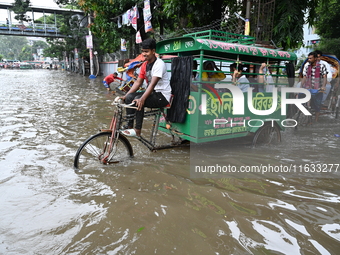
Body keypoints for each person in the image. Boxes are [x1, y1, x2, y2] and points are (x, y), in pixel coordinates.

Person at [120, 38, 171, 137]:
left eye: (146, 51)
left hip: (163, 96)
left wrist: (142, 99)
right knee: (130, 97)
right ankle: (129, 125)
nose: (144, 54)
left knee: (138, 100)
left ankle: (137, 130)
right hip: (152, 93)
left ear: (153, 51)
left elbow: (152, 84)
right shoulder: (144, 65)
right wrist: (125, 96)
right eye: (143, 51)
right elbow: (138, 82)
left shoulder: (159, 64)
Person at [301, 51, 327, 122]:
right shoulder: (306, 65)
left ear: (315, 58)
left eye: (310, 58)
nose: (309, 60)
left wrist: (323, 86)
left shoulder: (322, 66)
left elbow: (324, 77)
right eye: (308, 58)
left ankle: (316, 120)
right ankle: (306, 116)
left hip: (318, 87)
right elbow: (304, 77)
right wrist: (301, 86)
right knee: (303, 99)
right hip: (308, 86)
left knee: (317, 105)